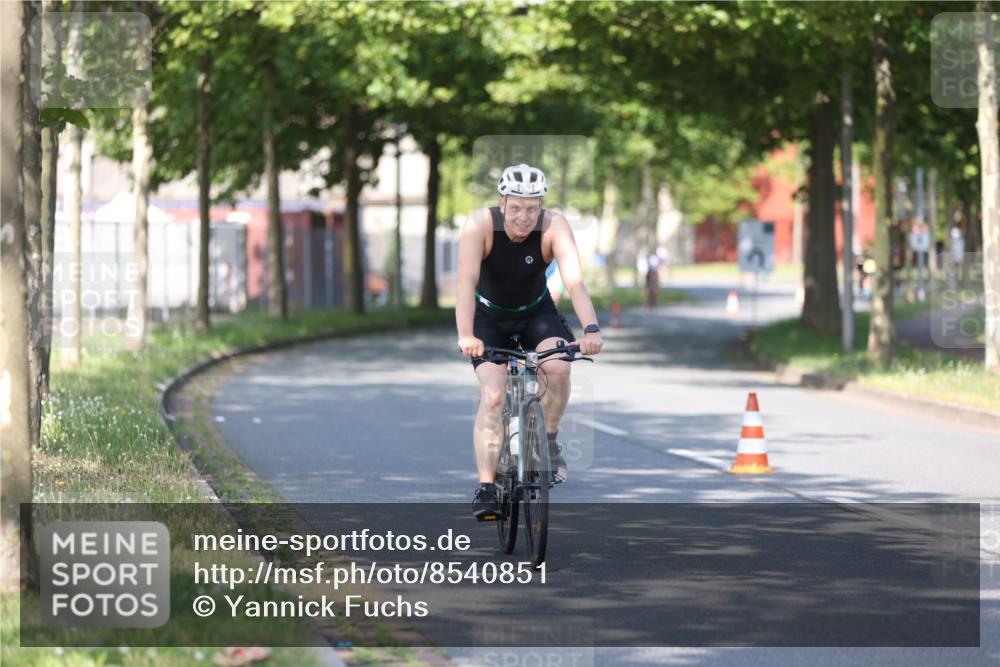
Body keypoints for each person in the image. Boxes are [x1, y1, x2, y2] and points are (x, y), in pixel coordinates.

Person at [456, 163, 604, 520]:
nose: (524, 216)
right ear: (502, 202)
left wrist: (592, 329)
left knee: (559, 368)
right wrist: (466, 335)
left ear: (542, 206)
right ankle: (487, 487)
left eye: (532, 208)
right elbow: (464, 283)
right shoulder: (480, 226)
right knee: (494, 394)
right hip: (488, 316)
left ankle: (549, 443)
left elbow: (575, 283)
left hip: (536, 312)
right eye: (516, 207)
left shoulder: (554, 227)